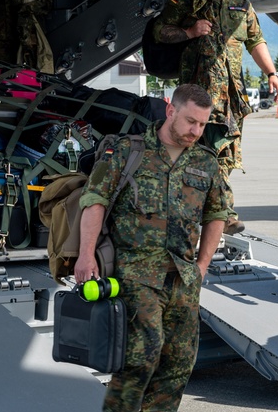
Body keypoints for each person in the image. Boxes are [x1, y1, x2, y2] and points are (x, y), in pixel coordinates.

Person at [74, 84, 228, 412]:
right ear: (170, 109)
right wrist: (86, 254)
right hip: (136, 270)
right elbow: (94, 200)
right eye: (190, 122)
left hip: (184, 277)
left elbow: (217, 214)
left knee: (178, 365)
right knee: (140, 360)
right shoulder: (127, 150)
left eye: (202, 125)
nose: (195, 131)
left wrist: (202, 266)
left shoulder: (206, 161)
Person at [152, 0, 278, 235]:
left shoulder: (240, 1)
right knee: (197, 152)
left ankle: (215, 213)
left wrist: (271, 73)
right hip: (197, 96)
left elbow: (255, 41)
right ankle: (219, 214)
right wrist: (189, 32)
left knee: (226, 156)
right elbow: (159, 30)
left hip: (231, 96)